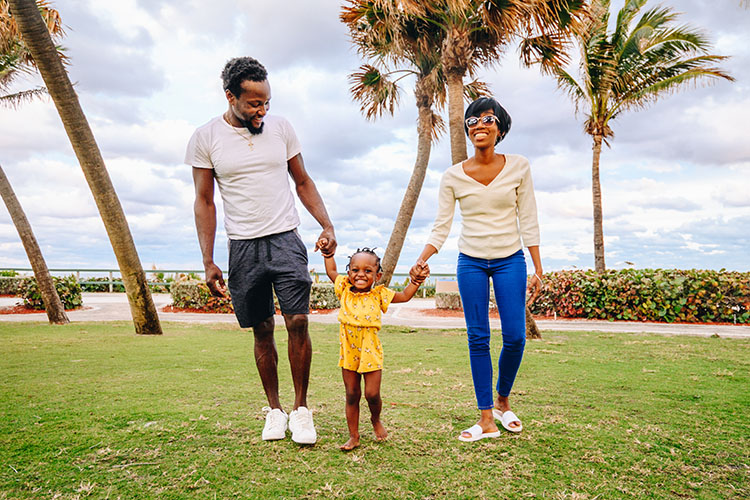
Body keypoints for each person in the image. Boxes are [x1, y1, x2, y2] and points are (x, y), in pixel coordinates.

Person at [186, 56, 336, 445]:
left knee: (298, 321)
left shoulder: (282, 128)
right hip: (244, 246)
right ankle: (275, 410)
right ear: (230, 97)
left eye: (266, 101)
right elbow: (204, 201)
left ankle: (302, 410)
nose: (262, 110)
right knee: (262, 328)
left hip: (286, 238)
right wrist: (208, 259)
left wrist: (326, 223)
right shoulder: (205, 138)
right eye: (254, 103)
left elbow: (302, 181)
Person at [411, 96, 543, 442]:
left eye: (487, 119)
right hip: (470, 261)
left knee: (515, 336)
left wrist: (538, 269)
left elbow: (528, 217)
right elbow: (441, 225)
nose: (479, 125)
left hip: (510, 260)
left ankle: (502, 400)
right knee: (478, 337)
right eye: (472, 121)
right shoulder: (453, 176)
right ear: (467, 130)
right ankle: (486, 417)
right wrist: (422, 257)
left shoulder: (519, 166)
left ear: (500, 127)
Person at [322, 245, 427, 450]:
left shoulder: (379, 294)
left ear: (377, 275)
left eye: (367, 271)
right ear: (349, 272)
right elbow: (331, 271)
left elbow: (405, 295)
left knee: (371, 394)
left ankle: (375, 419)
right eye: (355, 270)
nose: (361, 274)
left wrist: (416, 281)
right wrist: (328, 254)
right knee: (352, 393)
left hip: (371, 352)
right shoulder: (343, 288)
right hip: (349, 351)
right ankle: (354, 436)